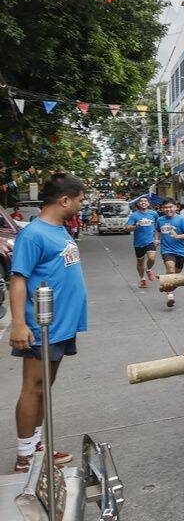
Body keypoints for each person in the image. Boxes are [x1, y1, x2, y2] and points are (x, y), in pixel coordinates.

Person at [8, 174, 87, 473]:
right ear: (64, 200)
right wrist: (18, 324)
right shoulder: (34, 234)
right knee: (34, 387)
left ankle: (38, 445)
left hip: (60, 325)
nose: (81, 205)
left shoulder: (60, 230)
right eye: (79, 200)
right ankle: (25, 456)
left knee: (45, 386)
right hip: (40, 325)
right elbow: (18, 279)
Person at [156, 199, 184, 309]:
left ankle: (166, 288)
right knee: (171, 270)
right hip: (166, 249)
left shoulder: (181, 219)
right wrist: (156, 239)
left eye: (170, 207)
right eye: (166, 207)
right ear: (163, 209)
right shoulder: (160, 220)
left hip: (180, 251)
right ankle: (170, 295)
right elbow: (157, 231)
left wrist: (177, 236)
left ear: (176, 207)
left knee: (176, 276)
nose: (168, 209)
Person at [126, 196, 159, 288]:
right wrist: (135, 226)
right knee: (140, 262)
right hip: (138, 242)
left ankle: (148, 269)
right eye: (141, 201)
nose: (143, 202)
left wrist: (156, 238)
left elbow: (157, 227)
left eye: (145, 201)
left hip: (150, 241)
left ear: (148, 203)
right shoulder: (134, 215)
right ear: (139, 204)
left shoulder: (154, 214)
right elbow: (127, 228)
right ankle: (142, 279)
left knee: (152, 258)